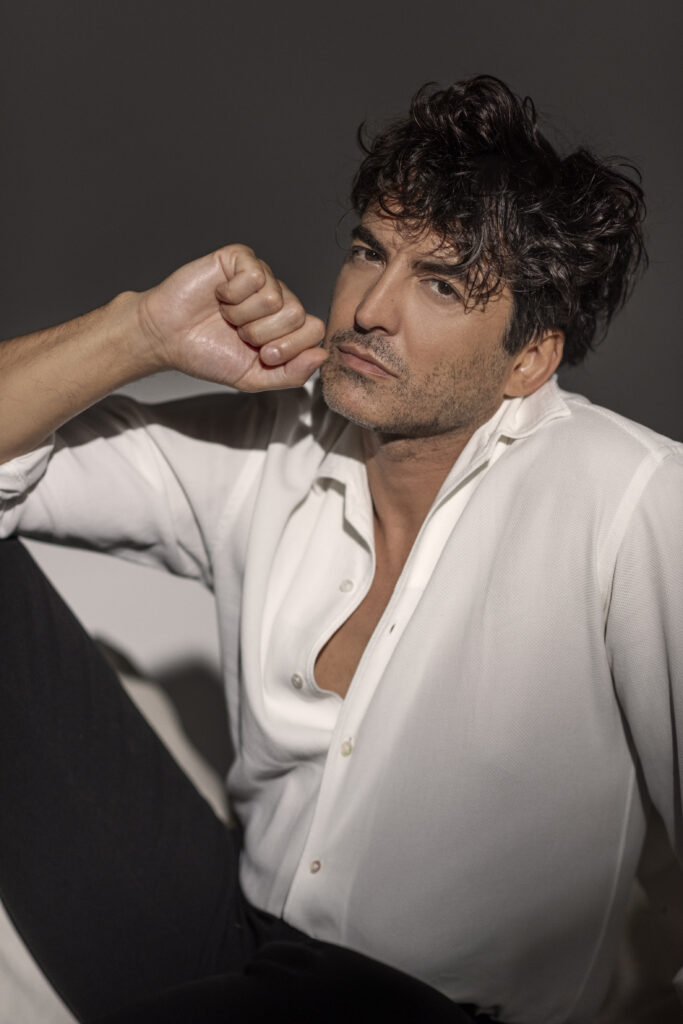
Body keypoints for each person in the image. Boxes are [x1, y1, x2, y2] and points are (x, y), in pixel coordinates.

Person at [0, 74, 681, 1024]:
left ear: (528, 359)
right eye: (369, 252)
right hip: (235, 939)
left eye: (440, 284)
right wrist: (139, 331)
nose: (369, 309)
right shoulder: (272, 446)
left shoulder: (633, 499)